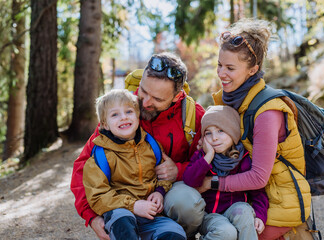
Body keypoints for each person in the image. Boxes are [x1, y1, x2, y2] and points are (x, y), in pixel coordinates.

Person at [70, 52, 206, 240]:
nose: (145, 103)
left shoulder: (193, 116)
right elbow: (84, 166)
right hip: (122, 201)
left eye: (157, 99)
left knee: (187, 205)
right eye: (143, 91)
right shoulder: (122, 109)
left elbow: (208, 164)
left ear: (176, 97)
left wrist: (178, 171)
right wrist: (91, 217)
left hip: (164, 194)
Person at [203, 18, 312, 239]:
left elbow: (258, 178)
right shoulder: (231, 101)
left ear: (253, 69)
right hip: (245, 198)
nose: (221, 73)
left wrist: (210, 183)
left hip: (278, 202)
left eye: (230, 68)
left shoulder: (267, 113)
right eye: (219, 65)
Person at [83, 89, 186, 240]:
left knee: (175, 232)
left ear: (138, 116)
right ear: (104, 124)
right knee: (123, 219)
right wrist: (134, 206)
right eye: (115, 114)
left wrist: (159, 192)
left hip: (151, 215)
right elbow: (98, 195)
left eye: (129, 111)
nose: (123, 117)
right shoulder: (100, 156)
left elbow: (163, 176)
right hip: (120, 212)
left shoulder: (151, 145)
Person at [183, 105, 269, 240]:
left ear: (233, 132)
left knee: (245, 210)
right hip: (209, 215)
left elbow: (258, 192)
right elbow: (189, 180)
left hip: (235, 210)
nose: (214, 138)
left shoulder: (244, 159)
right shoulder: (202, 157)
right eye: (208, 133)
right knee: (225, 231)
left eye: (220, 131)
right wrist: (208, 156)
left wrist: (260, 216)